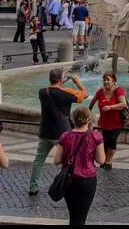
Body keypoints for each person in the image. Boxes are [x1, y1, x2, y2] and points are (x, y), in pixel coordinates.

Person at [28, 67, 88, 195]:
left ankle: (33, 187)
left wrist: (60, 82)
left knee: (38, 160)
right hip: (62, 133)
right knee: (68, 159)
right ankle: (67, 184)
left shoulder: (42, 92)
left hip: (45, 132)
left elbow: (54, 90)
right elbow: (84, 94)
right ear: (61, 79)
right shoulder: (66, 93)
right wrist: (77, 81)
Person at [51, 105, 104, 226]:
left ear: (73, 119)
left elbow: (56, 160)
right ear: (89, 120)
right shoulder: (95, 136)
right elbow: (101, 160)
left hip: (70, 180)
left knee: (73, 216)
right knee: (81, 217)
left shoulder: (65, 136)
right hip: (88, 180)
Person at [90, 71, 127, 171]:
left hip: (117, 122)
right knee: (105, 142)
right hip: (104, 123)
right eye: (104, 80)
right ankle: (105, 160)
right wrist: (89, 112)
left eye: (108, 80)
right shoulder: (100, 92)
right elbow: (92, 102)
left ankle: (109, 161)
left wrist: (111, 107)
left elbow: (123, 104)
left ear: (114, 81)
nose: (106, 81)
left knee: (112, 139)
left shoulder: (118, 90)